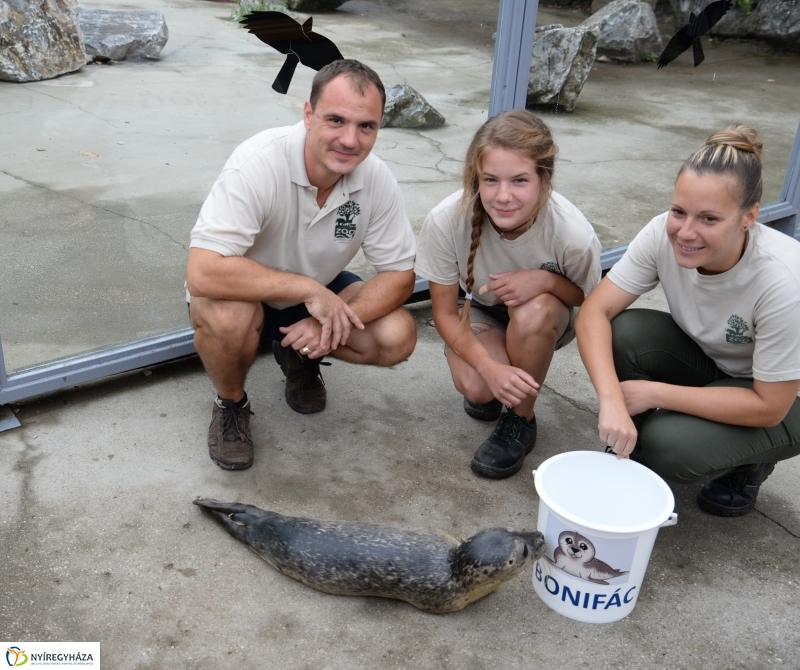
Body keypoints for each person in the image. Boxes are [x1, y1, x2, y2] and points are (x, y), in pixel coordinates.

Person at [186, 59, 417, 471]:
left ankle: (300, 355)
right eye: (336, 120)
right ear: (308, 114)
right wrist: (310, 292)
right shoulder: (258, 162)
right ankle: (231, 405)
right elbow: (203, 272)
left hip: (318, 291)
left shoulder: (376, 179)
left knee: (396, 335)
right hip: (246, 295)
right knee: (228, 318)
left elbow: (400, 275)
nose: (350, 139)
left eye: (366, 126)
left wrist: (330, 320)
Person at [575, 124, 800, 517]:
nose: (686, 232)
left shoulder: (784, 282)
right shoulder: (661, 232)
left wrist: (654, 394)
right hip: (720, 365)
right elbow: (595, 311)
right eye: (679, 211)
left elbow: (769, 406)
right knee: (623, 332)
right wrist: (612, 400)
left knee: (671, 446)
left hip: (783, 398)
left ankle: (749, 462)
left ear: (749, 217)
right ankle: (631, 444)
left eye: (709, 219)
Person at [415, 109, 602, 479]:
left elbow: (588, 300)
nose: (503, 196)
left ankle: (521, 420)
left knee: (533, 314)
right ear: (476, 178)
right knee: (479, 388)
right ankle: (495, 381)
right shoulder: (445, 219)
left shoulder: (573, 235)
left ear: (544, 179)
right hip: (481, 312)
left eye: (519, 180)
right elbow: (445, 314)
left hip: (547, 319)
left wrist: (545, 282)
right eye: (490, 180)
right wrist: (490, 369)